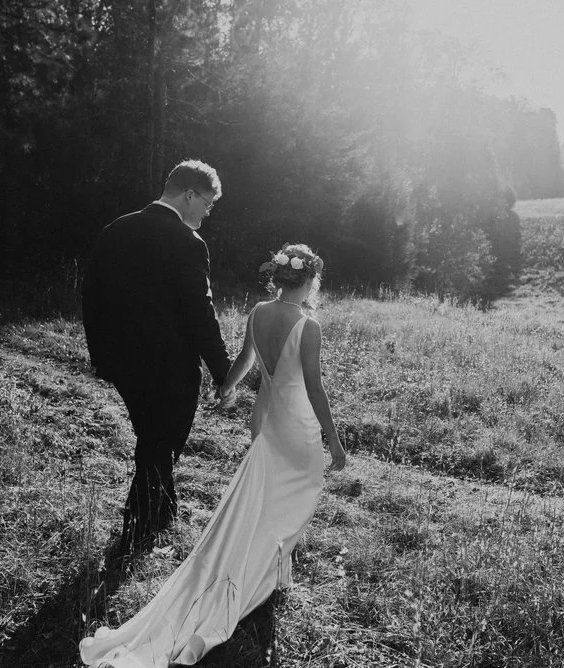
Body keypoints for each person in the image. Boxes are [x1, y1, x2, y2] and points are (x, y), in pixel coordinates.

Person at [80, 243, 346, 667]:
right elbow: (314, 387)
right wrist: (333, 439)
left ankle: (273, 570)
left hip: (267, 420)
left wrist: (226, 387)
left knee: (267, 497)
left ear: (279, 277)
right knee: (300, 494)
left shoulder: (259, 312)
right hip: (296, 426)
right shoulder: (308, 326)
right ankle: (261, 573)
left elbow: (244, 360)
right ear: (310, 279)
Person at [82, 159, 234, 552]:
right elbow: (200, 312)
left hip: (122, 363)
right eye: (207, 203)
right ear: (189, 194)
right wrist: (223, 372)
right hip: (171, 367)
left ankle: (164, 511)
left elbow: (91, 298)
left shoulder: (116, 229)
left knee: (152, 435)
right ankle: (136, 529)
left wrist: (101, 356)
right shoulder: (187, 242)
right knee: (160, 442)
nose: (207, 212)